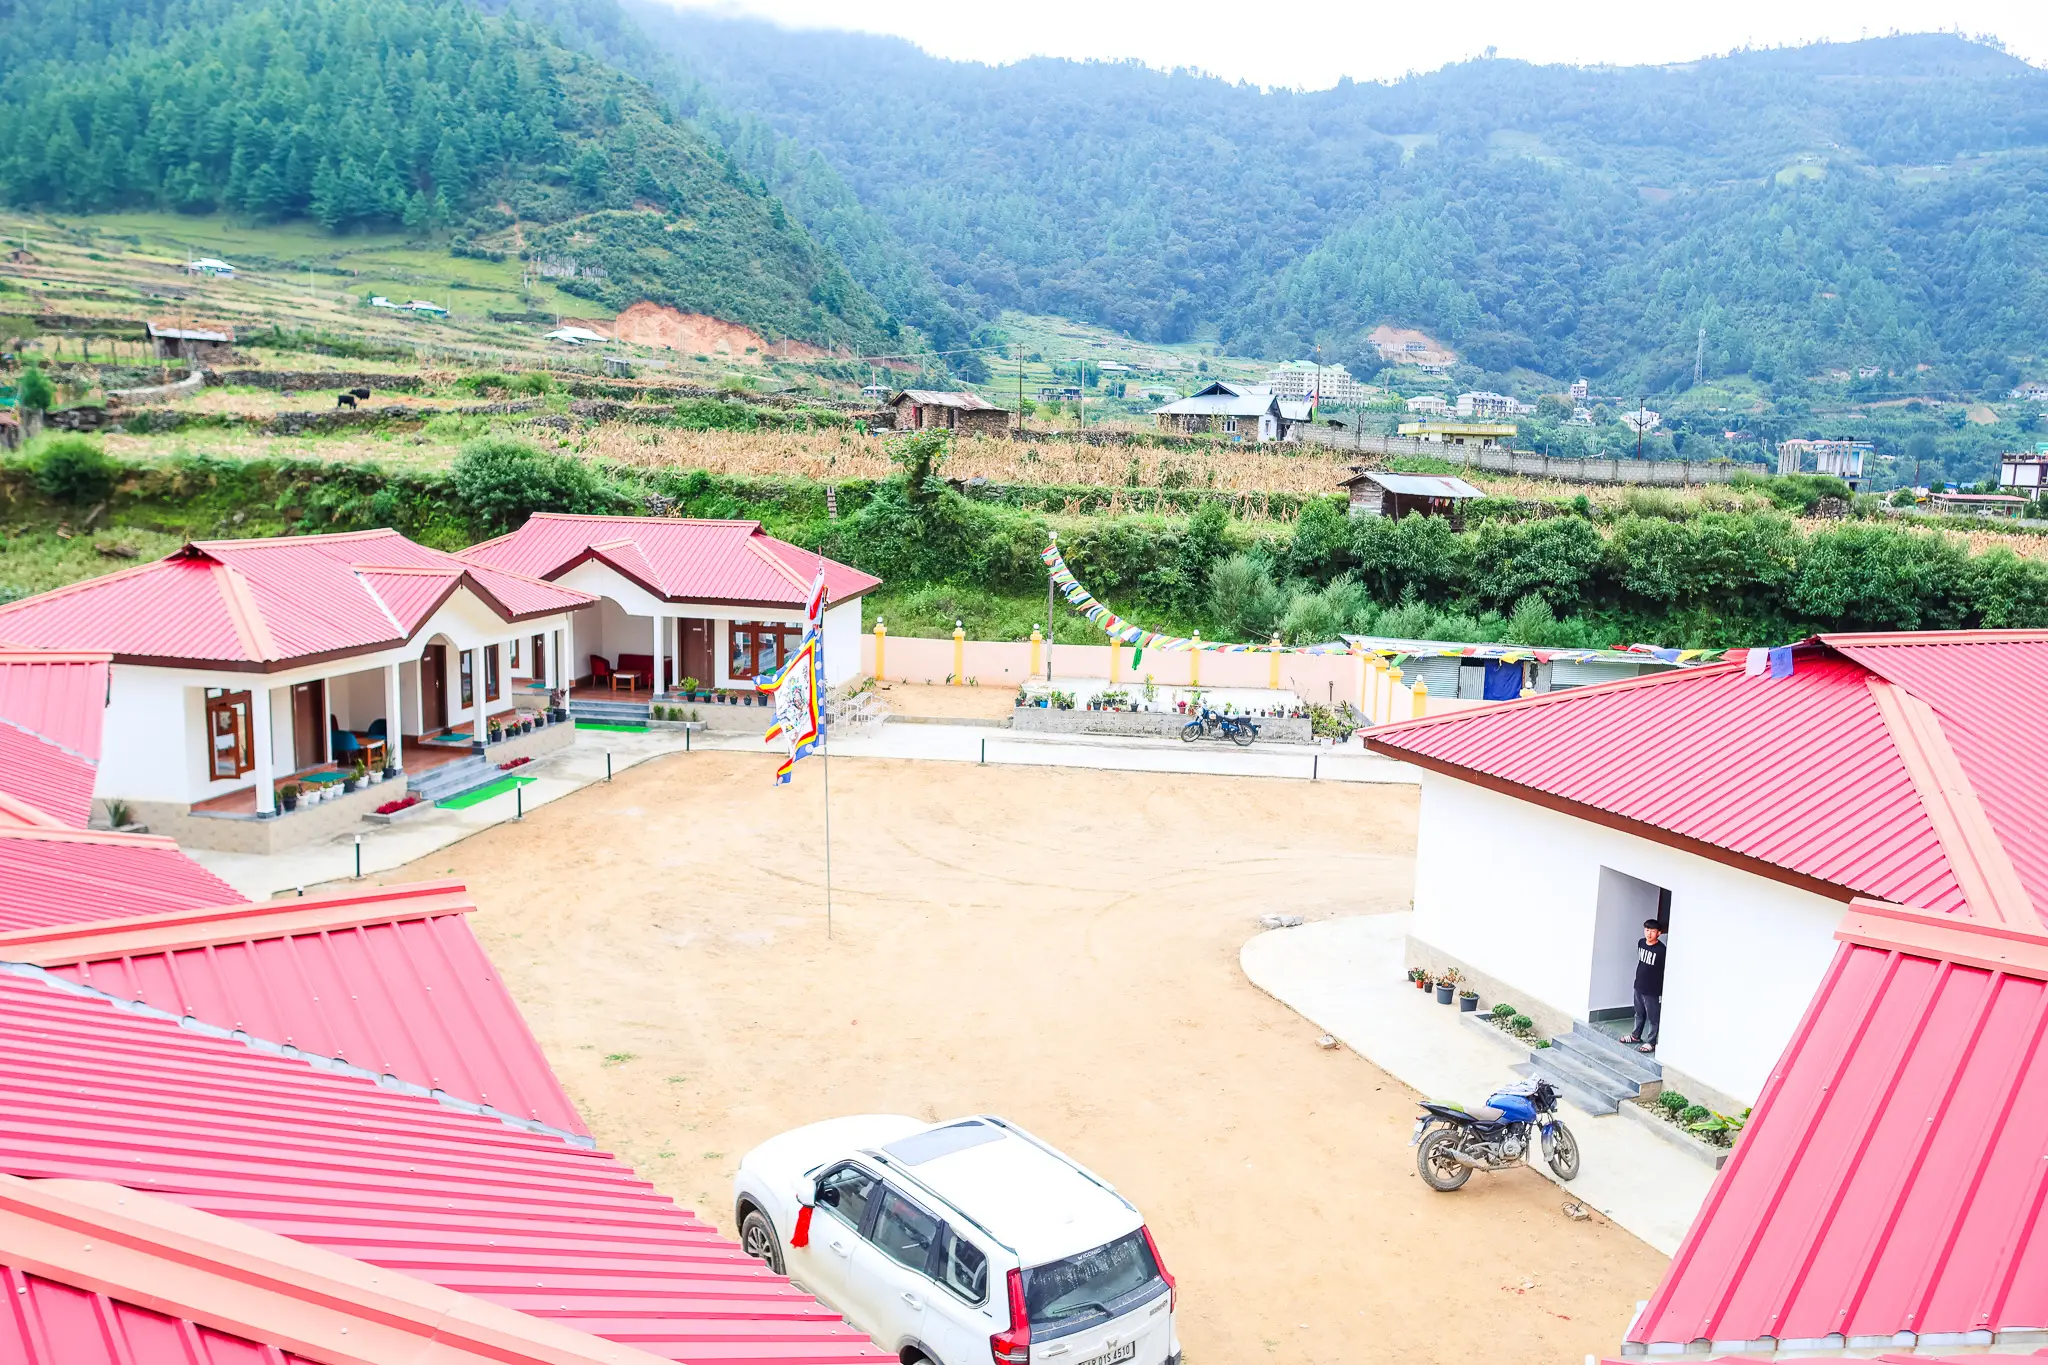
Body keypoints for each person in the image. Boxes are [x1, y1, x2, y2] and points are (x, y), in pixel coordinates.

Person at [1621, 919, 1665, 1054]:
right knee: (1639, 1013)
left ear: (1659, 933)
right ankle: (1635, 1036)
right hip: (1639, 985)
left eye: (1652, 931)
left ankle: (1651, 1042)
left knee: (1653, 1017)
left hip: (1652, 989)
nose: (1649, 933)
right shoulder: (1641, 943)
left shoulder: (1661, 950)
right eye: (1647, 930)